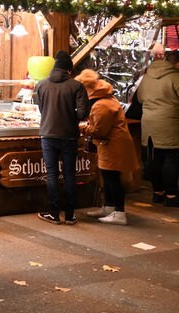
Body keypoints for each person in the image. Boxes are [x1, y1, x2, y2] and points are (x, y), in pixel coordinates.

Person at [76, 69, 139, 224]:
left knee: (113, 179)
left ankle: (119, 213)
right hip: (111, 145)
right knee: (108, 176)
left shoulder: (101, 105)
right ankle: (109, 207)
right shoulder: (105, 98)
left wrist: (81, 127)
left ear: (87, 88)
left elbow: (99, 131)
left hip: (113, 146)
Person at [34, 50, 90, 224]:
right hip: (69, 136)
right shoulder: (77, 86)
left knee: (51, 174)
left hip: (48, 134)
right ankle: (70, 215)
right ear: (69, 69)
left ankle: (54, 213)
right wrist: (69, 114)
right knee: (69, 175)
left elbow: (40, 108)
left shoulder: (41, 85)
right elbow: (82, 114)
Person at [135, 44, 179, 206]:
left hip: (149, 124)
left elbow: (139, 98)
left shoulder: (146, 77)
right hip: (171, 124)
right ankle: (171, 196)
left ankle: (157, 193)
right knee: (171, 160)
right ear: (175, 63)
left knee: (154, 159)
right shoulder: (175, 77)